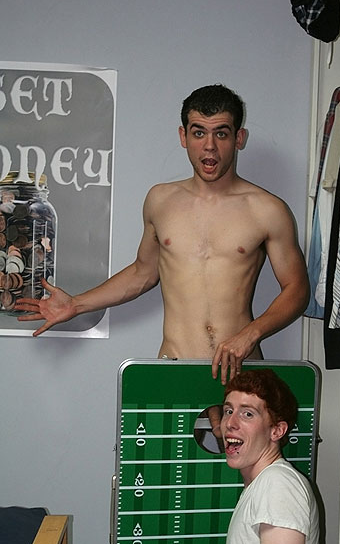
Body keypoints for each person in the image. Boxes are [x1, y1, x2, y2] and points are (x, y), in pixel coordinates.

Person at [15, 85, 309, 384]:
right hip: (174, 367)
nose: (209, 146)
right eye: (199, 133)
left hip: (240, 370)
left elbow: (297, 289)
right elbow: (143, 272)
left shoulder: (267, 209)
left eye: (221, 134)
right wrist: (76, 304)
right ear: (183, 136)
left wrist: (251, 334)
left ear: (239, 138)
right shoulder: (161, 201)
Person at [221, 368, 320, 544]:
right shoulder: (263, 485)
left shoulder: (279, 485)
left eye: (247, 414)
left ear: (277, 430)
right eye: (228, 411)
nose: (230, 423)